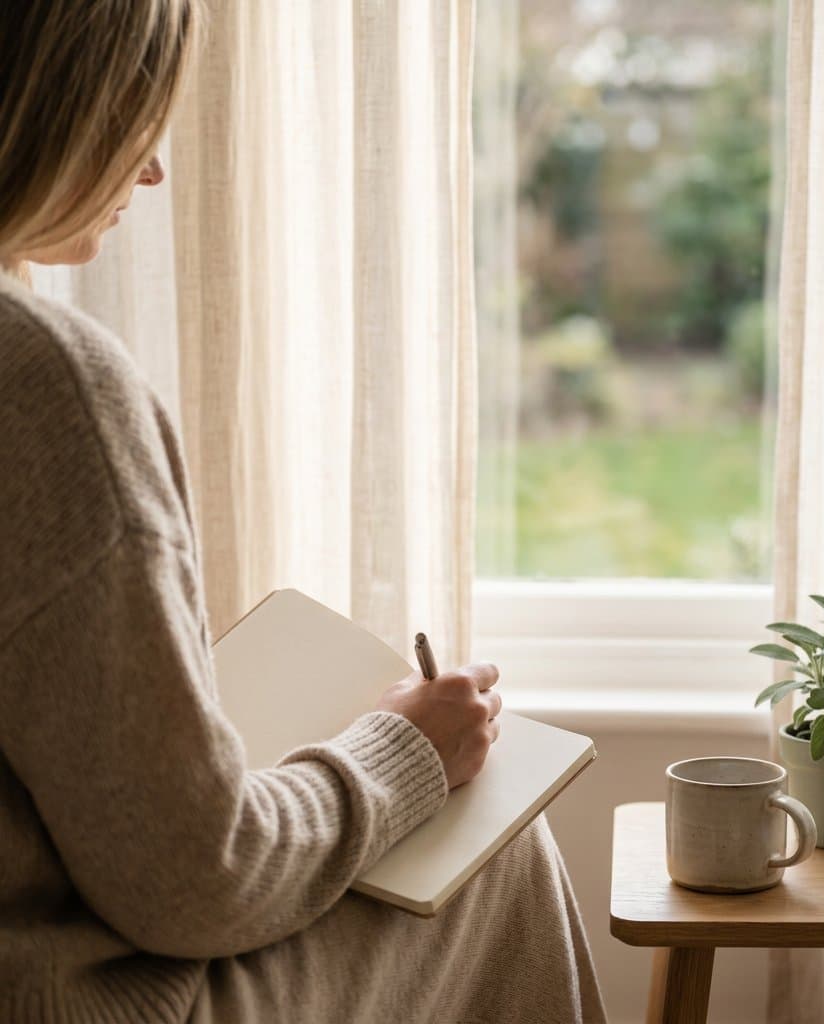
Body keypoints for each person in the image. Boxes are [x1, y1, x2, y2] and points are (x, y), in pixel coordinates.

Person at [0, 3, 607, 1022]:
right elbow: (196, 880)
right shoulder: (47, 387)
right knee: (493, 849)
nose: (150, 172)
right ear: (46, 100)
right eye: (133, 117)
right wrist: (405, 752)